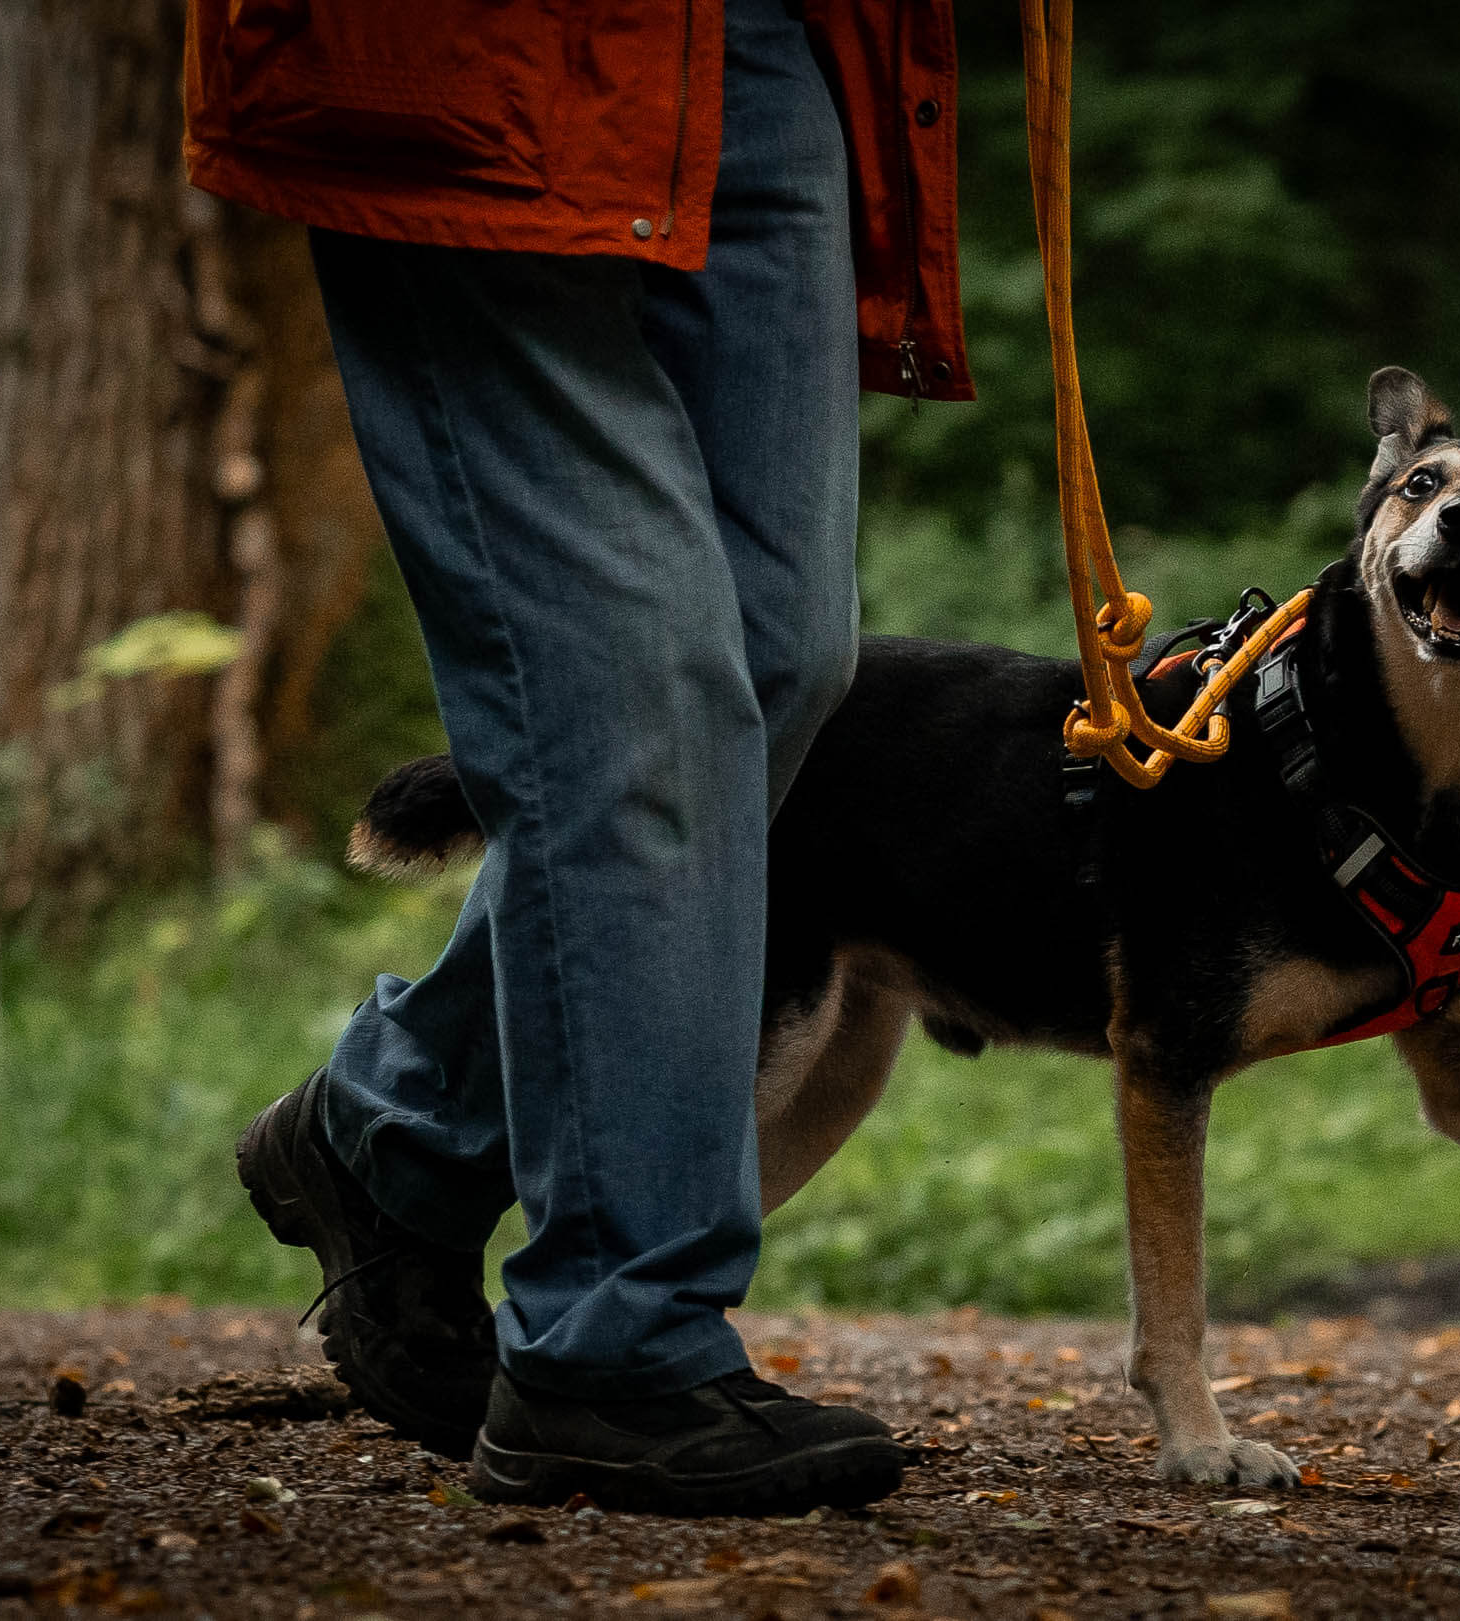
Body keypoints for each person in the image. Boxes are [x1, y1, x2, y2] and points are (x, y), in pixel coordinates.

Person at [182, 0, 971, 1515]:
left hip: (769, 50)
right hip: (477, 53)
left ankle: (394, 1126)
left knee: (776, 663)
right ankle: (618, 1345)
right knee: (639, 698)